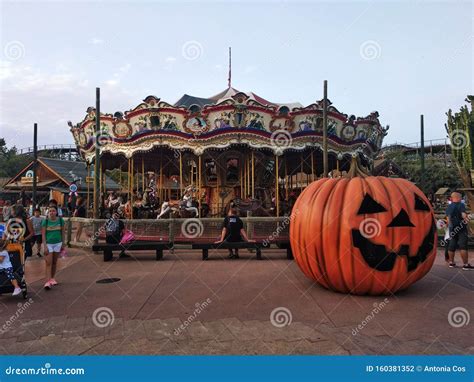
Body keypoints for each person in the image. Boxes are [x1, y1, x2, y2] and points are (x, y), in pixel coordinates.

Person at [446, 192, 473, 270]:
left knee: (452, 245)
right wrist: (469, 227)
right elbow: (464, 216)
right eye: (461, 197)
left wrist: (450, 228)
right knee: (463, 246)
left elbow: (448, 219)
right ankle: (465, 265)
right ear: (458, 197)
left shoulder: (449, 206)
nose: (461, 199)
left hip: (452, 229)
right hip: (461, 228)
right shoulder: (461, 205)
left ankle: (451, 263)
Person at [41, 205, 65, 289]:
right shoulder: (45, 221)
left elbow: (62, 232)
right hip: (48, 244)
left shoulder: (61, 220)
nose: (51, 212)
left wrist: (63, 243)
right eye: (50, 211)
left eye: (53, 211)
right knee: (48, 263)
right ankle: (47, 282)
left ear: (56, 212)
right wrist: (45, 246)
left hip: (58, 243)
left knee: (54, 262)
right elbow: (43, 234)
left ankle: (52, 278)